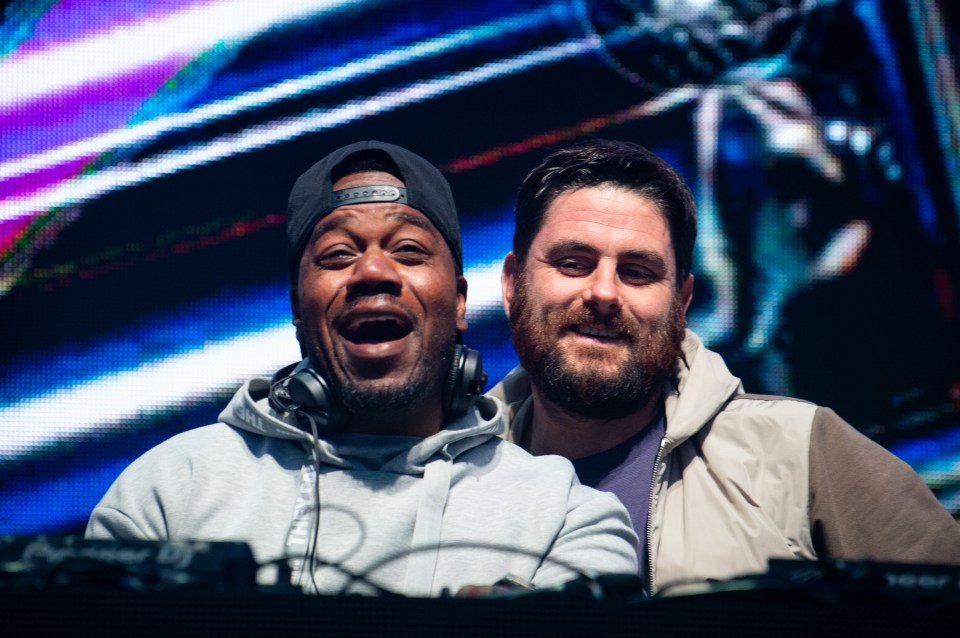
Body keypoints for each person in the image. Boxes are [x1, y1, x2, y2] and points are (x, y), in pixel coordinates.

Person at [85, 140, 638, 597]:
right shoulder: (166, 493)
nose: (373, 270)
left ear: (462, 304)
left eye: (409, 251)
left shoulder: (566, 518)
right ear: (299, 310)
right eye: (337, 256)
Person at [488, 138, 960, 596]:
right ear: (512, 285)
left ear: (681, 302)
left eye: (638, 272)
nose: (605, 293)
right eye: (573, 263)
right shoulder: (435, 483)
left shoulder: (799, 451)